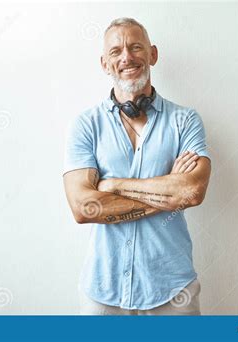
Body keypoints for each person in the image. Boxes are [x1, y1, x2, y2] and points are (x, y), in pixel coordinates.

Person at [63, 17, 211, 315]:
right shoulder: (86, 125)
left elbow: (192, 192)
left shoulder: (185, 120)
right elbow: (84, 208)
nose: (127, 57)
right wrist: (169, 193)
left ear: (152, 54)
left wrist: (113, 185)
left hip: (173, 290)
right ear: (105, 63)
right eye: (116, 51)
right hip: (103, 292)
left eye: (135, 47)